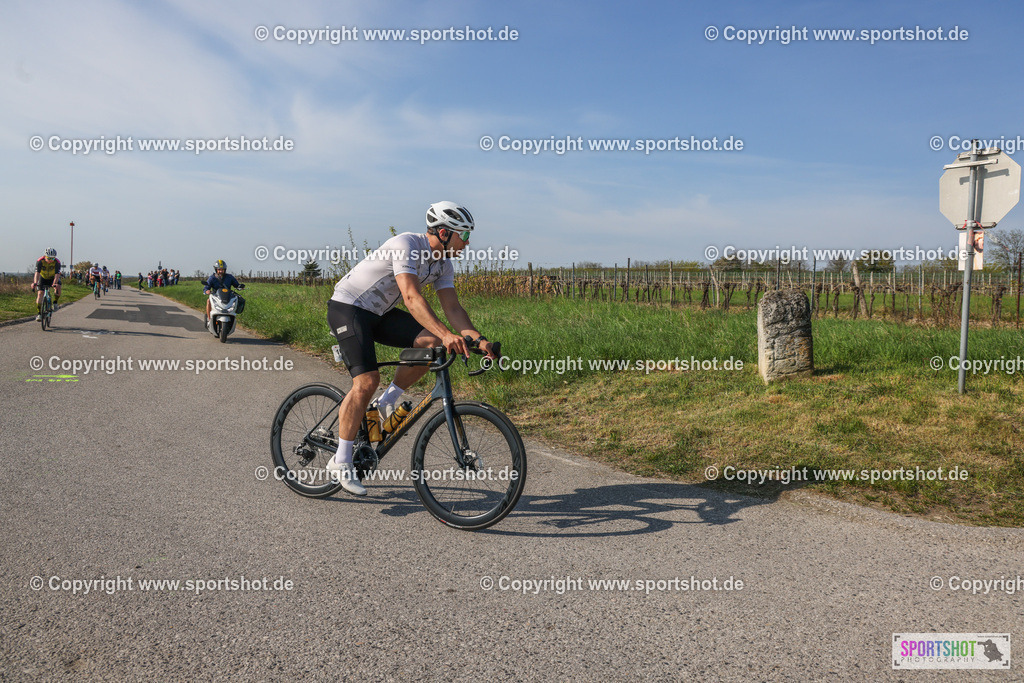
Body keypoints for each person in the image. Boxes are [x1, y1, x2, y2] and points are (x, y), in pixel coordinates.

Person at [325, 201, 498, 495]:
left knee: (430, 344)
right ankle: (340, 460)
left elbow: (453, 308)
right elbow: (410, 296)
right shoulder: (406, 244)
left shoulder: (443, 264)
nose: (467, 243)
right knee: (366, 381)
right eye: (464, 236)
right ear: (444, 233)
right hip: (348, 308)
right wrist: (446, 334)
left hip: (379, 314)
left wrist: (479, 339)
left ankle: (386, 401)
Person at [203, 259, 245, 329]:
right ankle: (209, 319)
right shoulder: (212, 278)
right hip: (215, 296)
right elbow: (206, 287)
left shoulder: (230, 277)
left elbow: (236, 285)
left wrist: (239, 287)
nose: (221, 271)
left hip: (227, 296)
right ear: (216, 270)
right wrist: (206, 290)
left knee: (237, 300)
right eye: (219, 269)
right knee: (208, 301)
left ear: (225, 270)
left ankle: (232, 317)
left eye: (222, 269)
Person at [33, 248, 62, 320]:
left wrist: (54, 283)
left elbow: (57, 274)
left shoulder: (57, 262)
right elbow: (37, 273)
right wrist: (35, 283)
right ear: (45, 256)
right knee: (40, 294)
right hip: (43, 278)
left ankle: (55, 302)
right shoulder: (40, 261)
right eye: (49, 258)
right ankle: (39, 314)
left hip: (53, 277)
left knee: (58, 286)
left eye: (52, 258)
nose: (50, 260)